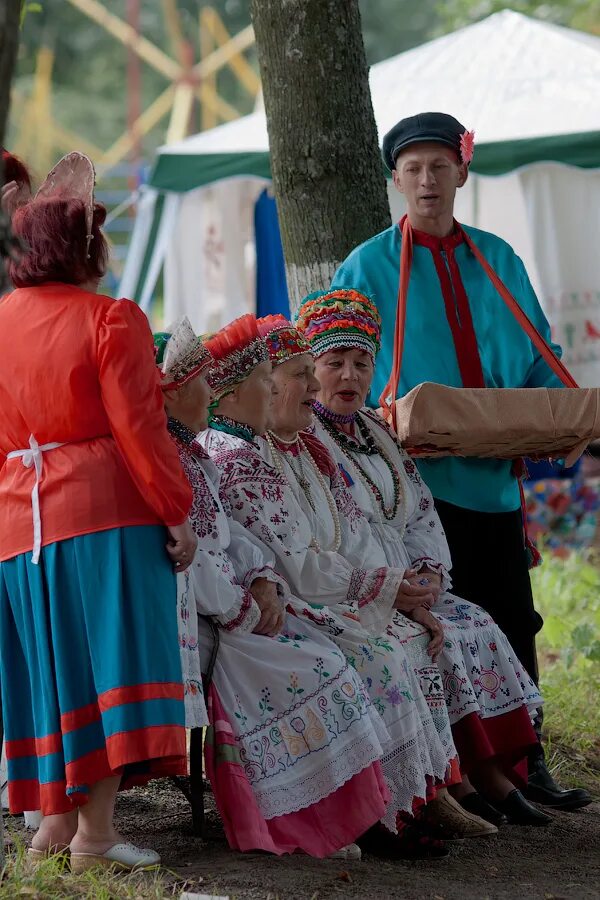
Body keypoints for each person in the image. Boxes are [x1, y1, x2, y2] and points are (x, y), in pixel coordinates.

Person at [330, 111, 591, 811]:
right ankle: (459, 774)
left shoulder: (497, 258)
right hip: (417, 490)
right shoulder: (366, 266)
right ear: (395, 180)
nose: (426, 181)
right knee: (439, 627)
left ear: (461, 173)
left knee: (514, 620)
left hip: (497, 483)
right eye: (413, 169)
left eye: (439, 167)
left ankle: (526, 764)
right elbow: (341, 371)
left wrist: (566, 412)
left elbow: (539, 357)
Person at [200, 314, 500, 860]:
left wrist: (402, 591)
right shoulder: (239, 456)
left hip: (319, 593)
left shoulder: (304, 447)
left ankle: (432, 791)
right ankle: (381, 810)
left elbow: (351, 533)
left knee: (410, 641)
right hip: (276, 607)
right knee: (382, 656)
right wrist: (387, 591)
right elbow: (290, 565)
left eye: (359, 364)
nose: (318, 386)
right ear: (239, 392)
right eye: (295, 375)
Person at [0, 153, 197, 873]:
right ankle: (95, 838)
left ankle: (53, 829)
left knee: (50, 674)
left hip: (19, 525)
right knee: (105, 670)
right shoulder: (110, 318)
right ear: (82, 248)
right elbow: (140, 431)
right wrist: (177, 513)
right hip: (101, 518)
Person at [295, 290, 554, 826]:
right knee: (426, 642)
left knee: (474, 622)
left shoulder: (376, 431)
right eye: (333, 363)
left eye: (361, 363)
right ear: (310, 370)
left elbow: (419, 513)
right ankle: (448, 781)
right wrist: (397, 589)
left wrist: (430, 576)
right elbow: (341, 532)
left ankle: (491, 772)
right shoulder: (306, 440)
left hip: (407, 585)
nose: (348, 376)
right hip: (360, 590)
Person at [154, 317, 392, 861]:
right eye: (201, 384)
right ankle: (295, 822)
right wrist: (242, 605)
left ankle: (342, 818)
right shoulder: (177, 462)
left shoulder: (196, 457)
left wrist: (259, 575)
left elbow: (229, 537)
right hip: (207, 621)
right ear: (173, 394)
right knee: (323, 667)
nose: (210, 393)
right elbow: (190, 559)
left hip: (231, 609)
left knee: (328, 660)